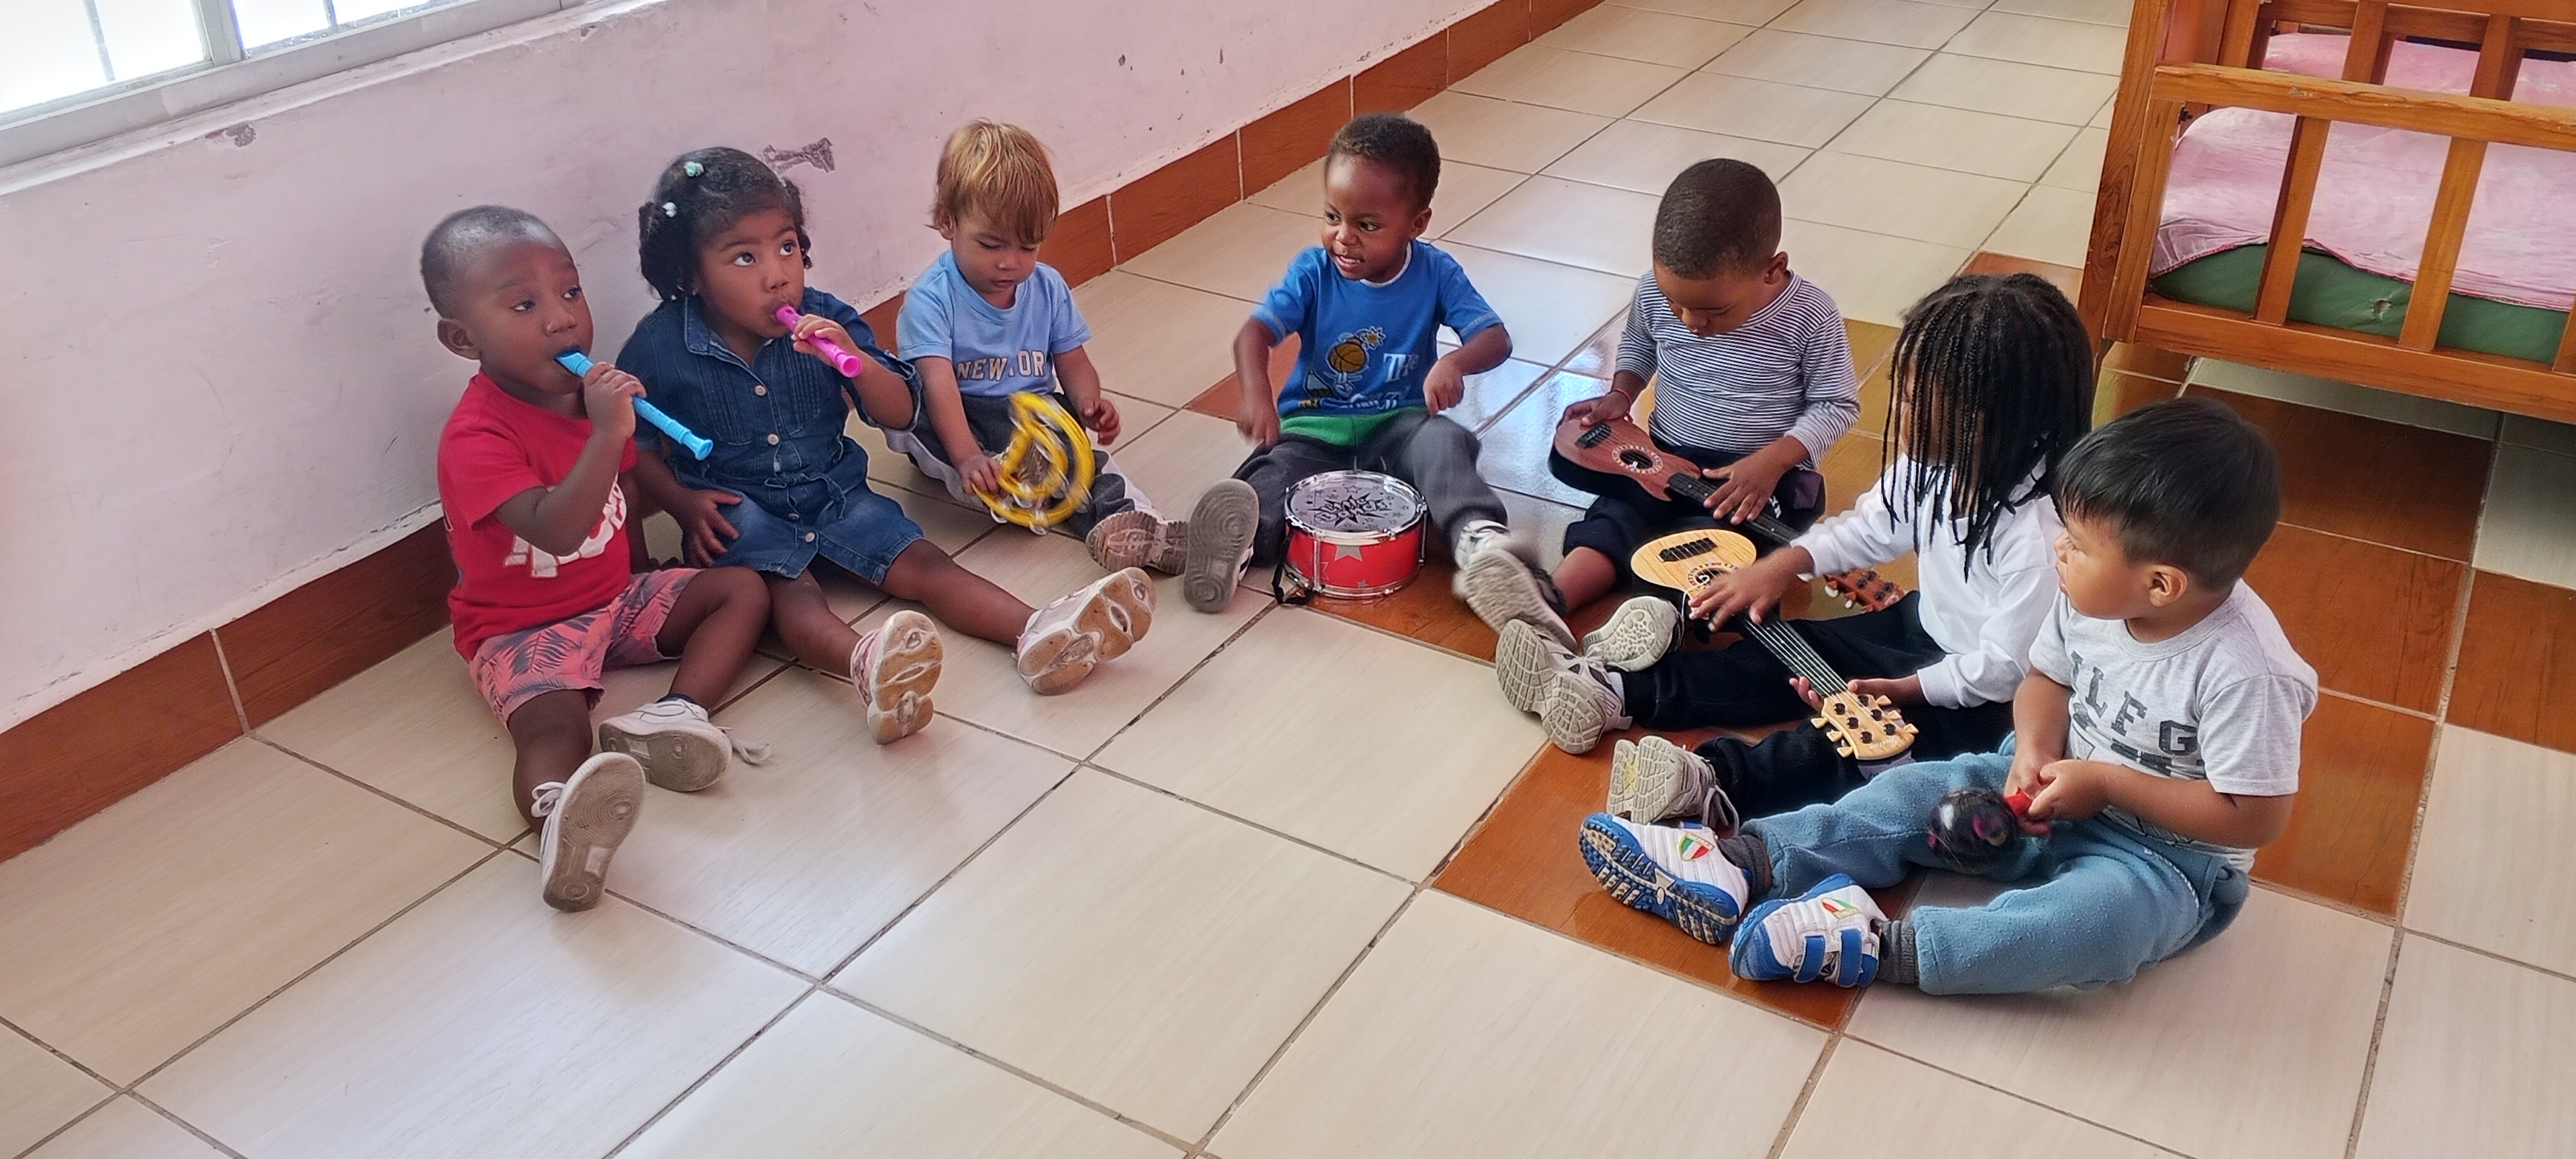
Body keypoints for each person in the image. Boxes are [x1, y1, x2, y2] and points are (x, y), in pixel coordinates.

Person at [1578, 397, 2314, 994]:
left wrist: (2109, 785)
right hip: (2040, 788)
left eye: (2079, 545)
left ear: (2161, 584)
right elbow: (2047, 679)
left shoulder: (2247, 673)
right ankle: (1742, 861)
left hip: (2164, 860)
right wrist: (2033, 749)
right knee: (1906, 794)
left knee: (2096, 926)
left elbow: (2256, 816)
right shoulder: (2090, 599)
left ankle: (1878, 945)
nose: (2058, 549)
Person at [1498, 274, 2090, 812]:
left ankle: (1712, 780)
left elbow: (2007, 670)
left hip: (1989, 701)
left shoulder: (2040, 537)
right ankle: (1618, 691)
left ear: (1984, 419)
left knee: (1855, 745)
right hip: (1922, 631)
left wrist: (1903, 689)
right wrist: (1783, 565)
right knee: (1791, 650)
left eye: (1913, 400)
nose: (1898, 411)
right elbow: (1871, 527)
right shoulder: (1934, 467)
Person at [615, 147, 1153, 714]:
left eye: (787, 247)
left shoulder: (829, 317)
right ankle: (869, 667)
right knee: (793, 600)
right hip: (736, 511)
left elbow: (900, 413)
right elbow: (633, 443)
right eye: (745, 258)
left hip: (834, 491)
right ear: (690, 274)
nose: (778, 276)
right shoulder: (660, 345)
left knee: (926, 566)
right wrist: (683, 504)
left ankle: (1040, 633)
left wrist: (858, 364)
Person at [423, 205, 773, 911]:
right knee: (556, 729)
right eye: (524, 305)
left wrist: (642, 567)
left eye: (570, 291)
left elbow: (626, 487)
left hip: (614, 598)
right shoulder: (476, 437)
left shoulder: (589, 400)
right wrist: (608, 433)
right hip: (523, 628)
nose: (562, 319)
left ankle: (674, 716)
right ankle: (561, 823)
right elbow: (554, 530)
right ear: (463, 339)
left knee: (741, 591)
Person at [1464, 159, 1858, 643]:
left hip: (1757, 478)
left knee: (1721, 547)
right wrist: (1621, 392)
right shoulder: (1656, 289)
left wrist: (1772, 462)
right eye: (1677, 304)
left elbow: (1837, 406)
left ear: (1772, 270)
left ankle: (1654, 630)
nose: (1689, 320)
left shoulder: (1810, 316)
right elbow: (1640, 344)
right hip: (1665, 455)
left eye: (1713, 311)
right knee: (1617, 517)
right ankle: (1547, 602)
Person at [1205, 112, 1544, 618]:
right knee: (1272, 475)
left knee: (1444, 443)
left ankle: (1481, 544)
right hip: (1315, 429)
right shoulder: (1313, 271)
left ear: (1417, 224)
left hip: (1400, 427)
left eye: (1366, 225)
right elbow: (1254, 334)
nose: (1344, 237)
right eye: (1332, 216)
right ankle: (1231, 545)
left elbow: (1494, 338)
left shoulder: (1437, 272)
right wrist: (1257, 395)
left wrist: (1455, 362)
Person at [892, 121, 1236, 583]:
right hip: (960, 413)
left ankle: (1139, 526)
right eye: (990, 245)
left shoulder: (1047, 287)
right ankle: (1018, 486)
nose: (1010, 262)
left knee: (1082, 459)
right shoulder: (931, 300)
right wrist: (968, 456)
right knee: (931, 426)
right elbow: (937, 385)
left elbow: (1073, 362)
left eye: (1028, 247)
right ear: (947, 221)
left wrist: (1089, 402)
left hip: (1032, 413)